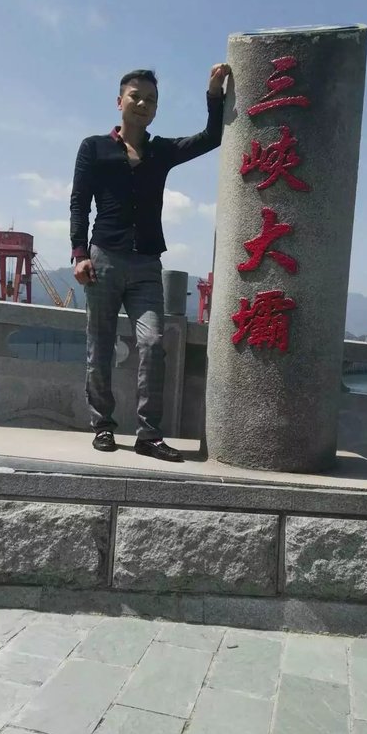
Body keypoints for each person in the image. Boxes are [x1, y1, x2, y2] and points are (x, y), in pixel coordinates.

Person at [70, 63, 230, 461]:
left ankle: (148, 434)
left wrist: (214, 93)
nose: (143, 104)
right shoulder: (94, 147)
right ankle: (103, 426)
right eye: (136, 97)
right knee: (100, 346)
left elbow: (212, 137)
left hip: (146, 264)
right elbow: (79, 203)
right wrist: (79, 253)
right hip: (104, 259)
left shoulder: (161, 151)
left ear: (157, 108)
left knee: (154, 343)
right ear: (119, 101)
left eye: (151, 100)